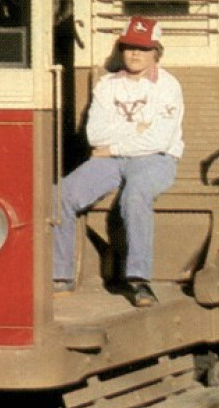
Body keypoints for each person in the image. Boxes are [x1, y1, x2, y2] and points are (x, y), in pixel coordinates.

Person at [53, 16, 184, 308]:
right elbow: (94, 134)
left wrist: (114, 143)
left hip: (156, 160)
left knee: (135, 195)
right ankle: (61, 274)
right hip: (112, 160)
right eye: (129, 47)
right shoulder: (107, 85)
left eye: (143, 48)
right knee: (61, 193)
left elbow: (158, 141)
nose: (135, 54)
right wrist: (134, 131)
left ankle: (138, 281)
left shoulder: (168, 86)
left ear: (156, 53)